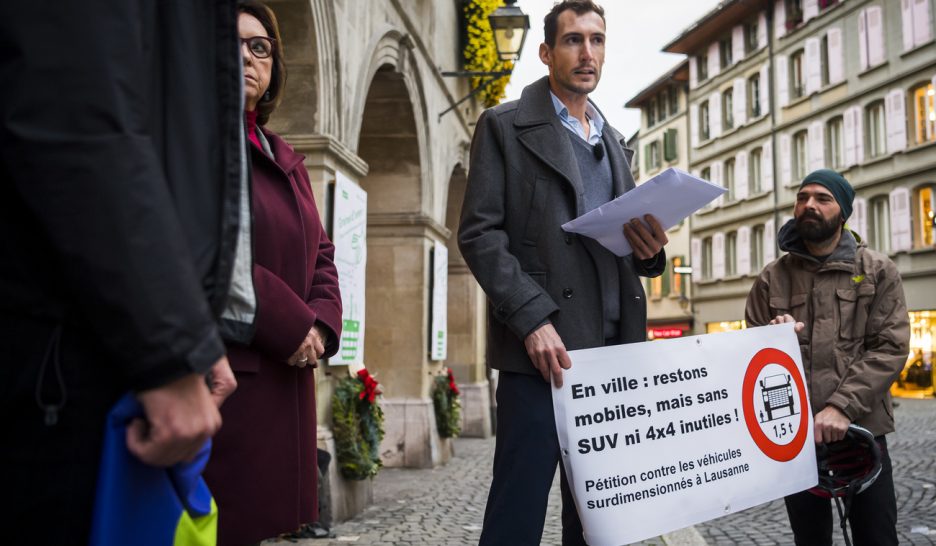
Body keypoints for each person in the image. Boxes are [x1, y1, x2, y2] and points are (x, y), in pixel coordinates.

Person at [0, 1, 253, 544]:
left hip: (105, 325)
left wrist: (195, 340)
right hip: (66, 338)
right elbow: (76, 110)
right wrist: (171, 347)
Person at [457, 2, 668, 544]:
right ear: (547, 52)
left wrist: (648, 253)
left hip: (611, 356)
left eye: (597, 40)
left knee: (600, 520)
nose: (588, 52)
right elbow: (480, 234)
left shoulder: (615, 141)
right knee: (517, 515)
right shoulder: (504, 125)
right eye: (574, 40)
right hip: (541, 356)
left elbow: (620, 246)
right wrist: (532, 320)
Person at [203, 2, 343, 544]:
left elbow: (323, 255)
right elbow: (215, 246)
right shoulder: (200, 143)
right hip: (233, 371)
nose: (246, 56)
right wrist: (294, 327)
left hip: (287, 374)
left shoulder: (285, 156)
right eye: (232, 43)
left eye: (260, 47)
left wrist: (322, 327)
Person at [745, 169, 910, 546]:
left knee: (877, 536)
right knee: (810, 540)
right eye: (803, 198)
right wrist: (773, 337)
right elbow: (752, 357)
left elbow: (890, 347)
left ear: (843, 212)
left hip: (863, 431)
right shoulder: (771, 279)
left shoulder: (878, 271)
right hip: (797, 442)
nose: (809, 206)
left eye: (823, 198)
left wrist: (841, 407)